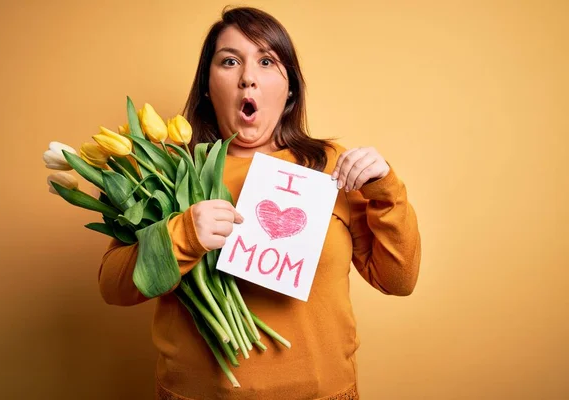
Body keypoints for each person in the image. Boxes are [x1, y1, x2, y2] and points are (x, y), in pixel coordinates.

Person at [98, 6, 421, 400]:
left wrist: (386, 189)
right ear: (206, 85)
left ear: (290, 90)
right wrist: (183, 234)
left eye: (266, 61)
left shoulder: (330, 167)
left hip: (322, 393)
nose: (247, 77)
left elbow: (398, 280)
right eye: (230, 61)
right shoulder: (168, 170)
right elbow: (112, 286)